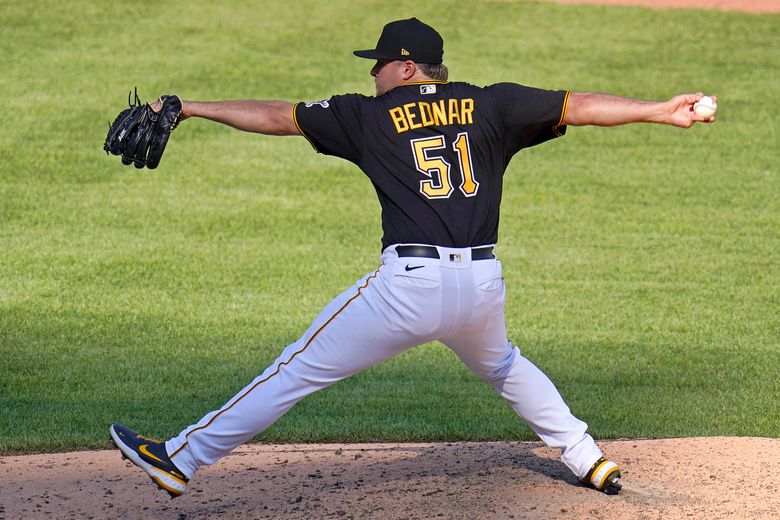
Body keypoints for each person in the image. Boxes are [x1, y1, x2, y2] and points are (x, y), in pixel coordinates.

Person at [109, 17, 716, 498]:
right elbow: (579, 103)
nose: (373, 74)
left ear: (403, 66)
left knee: (296, 369)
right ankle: (589, 460)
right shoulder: (491, 104)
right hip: (481, 286)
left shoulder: (370, 115)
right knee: (502, 364)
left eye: (378, 64)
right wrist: (660, 110)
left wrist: (190, 108)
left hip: (409, 289)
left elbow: (276, 115)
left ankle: (181, 459)